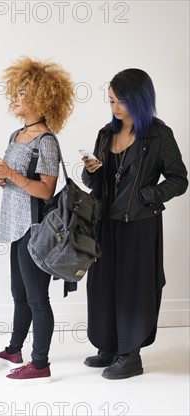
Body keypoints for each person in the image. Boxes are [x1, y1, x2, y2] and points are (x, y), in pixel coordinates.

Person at [81, 68, 188, 380]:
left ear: (139, 100)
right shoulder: (105, 133)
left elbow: (179, 179)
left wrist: (146, 195)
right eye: (111, 100)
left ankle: (130, 355)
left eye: (121, 101)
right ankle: (109, 346)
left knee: (133, 288)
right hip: (105, 222)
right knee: (102, 285)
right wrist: (92, 170)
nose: (115, 107)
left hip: (139, 224)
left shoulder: (158, 135)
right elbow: (95, 182)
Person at [0, 57, 74, 385]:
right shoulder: (16, 134)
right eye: (15, 92)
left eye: (22, 93)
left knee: (37, 297)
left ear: (40, 98)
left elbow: (46, 191)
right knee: (18, 293)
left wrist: (11, 174)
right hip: (13, 225)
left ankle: (40, 363)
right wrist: (1, 175)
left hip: (35, 229)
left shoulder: (46, 141)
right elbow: (18, 182)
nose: (14, 98)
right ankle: (14, 349)